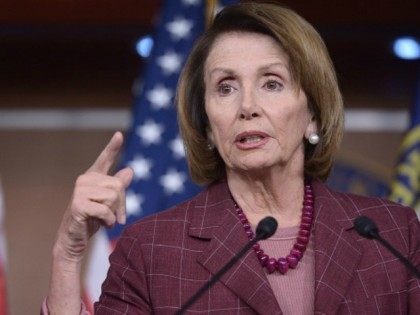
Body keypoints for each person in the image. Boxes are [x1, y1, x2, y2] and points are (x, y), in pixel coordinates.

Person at [44, 2, 420, 314]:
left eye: (272, 83)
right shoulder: (152, 248)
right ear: (207, 124)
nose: (248, 106)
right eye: (226, 88)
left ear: (314, 115)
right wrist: (67, 253)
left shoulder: (391, 233)